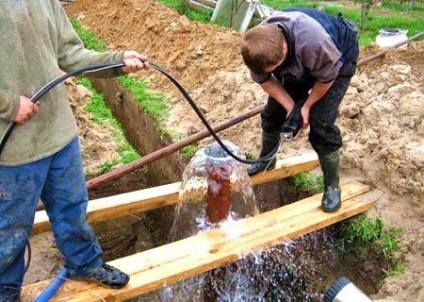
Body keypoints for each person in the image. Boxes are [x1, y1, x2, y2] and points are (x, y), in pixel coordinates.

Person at [0, 1, 150, 300]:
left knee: (72, 208)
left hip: (59, 133)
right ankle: (5, 287)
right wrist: (8, 104)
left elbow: (72, 54)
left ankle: (84, 262)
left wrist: (118, 60)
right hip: (14, 147)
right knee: (10, 226)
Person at [241, 7, 359, 212]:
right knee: (272, 114)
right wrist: (290, 107)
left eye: (274, 68)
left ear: (284, 50)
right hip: (300, 59)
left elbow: (326, 79)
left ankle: (333, 187)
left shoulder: (314, 43)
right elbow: (266, 81)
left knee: (321, 122)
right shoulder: (257, 46)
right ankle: (267, 160)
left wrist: (306, 106)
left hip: (338, 59)